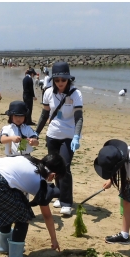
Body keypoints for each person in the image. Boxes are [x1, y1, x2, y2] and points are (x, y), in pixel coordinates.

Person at [0, 153, 65, 257]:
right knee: (23, 216)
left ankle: (4, 246)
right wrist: (54, 239)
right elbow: (47, 215)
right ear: (53, 175)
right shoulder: (39, 181)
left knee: (8, 209)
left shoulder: (28, 159)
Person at [35, 61, 83, 217]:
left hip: (69, 136)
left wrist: (76, 135)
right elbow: (45, 115)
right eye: (57, 80)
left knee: (65, 168)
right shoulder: (48, 92)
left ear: (69, 79)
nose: (60, 83)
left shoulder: (76, 94)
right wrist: (37, 132)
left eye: (63, 80)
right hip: (53, 134)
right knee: (54, 167)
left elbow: (78, 117)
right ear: (53, 80)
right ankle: (60, 195)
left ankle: (67, 202)